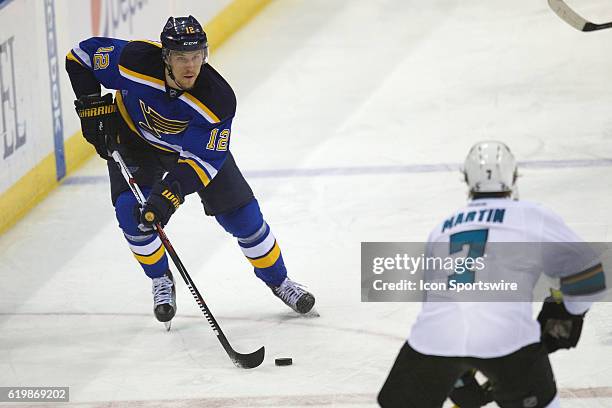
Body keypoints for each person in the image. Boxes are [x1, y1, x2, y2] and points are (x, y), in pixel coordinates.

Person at [65, 16, 315, 325]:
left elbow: (203, 161)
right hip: (135, 140)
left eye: (197, 56)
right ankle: (161, 280)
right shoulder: (134, 61)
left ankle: (280, 281)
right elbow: (81, 57)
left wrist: (168, 196)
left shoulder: (217, 99)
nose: (190, 66)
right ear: (166, 57)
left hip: (191, 152)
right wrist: (91, 110)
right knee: (130, 214)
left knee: (244, 217)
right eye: (182, 57)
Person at [377, 141, 606, 408]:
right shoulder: (530, 215)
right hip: (508, 340)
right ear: (513, 177)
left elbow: (435, 303)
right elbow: (590, 279)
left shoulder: (442, 228)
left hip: (434, 341)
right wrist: (565, 314)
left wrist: (459, 373)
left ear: (466, 180)